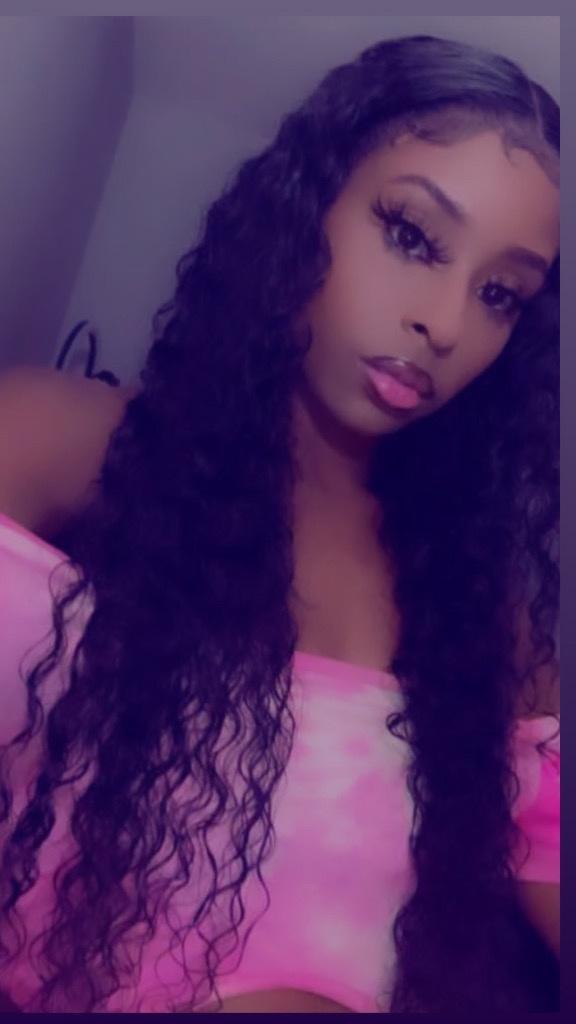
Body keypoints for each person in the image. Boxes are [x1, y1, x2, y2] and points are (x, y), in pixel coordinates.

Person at [0, 33, 560, 1014]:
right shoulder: (59, 446)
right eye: (413, 235)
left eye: (499, 294)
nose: (445, 323)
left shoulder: (485, 628)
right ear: (306, 205)